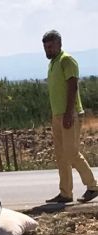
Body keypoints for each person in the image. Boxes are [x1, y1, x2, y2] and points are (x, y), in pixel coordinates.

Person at [42, 30, 98, 203]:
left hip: (69, 114)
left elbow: (72, 87)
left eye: (50, 47)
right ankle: (65, 193)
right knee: (61, 155)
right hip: (58, 115)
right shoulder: (53, 63)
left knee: (72, 153)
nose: (48, 50)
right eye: (46, 47)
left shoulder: (66, 60)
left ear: (59, 44)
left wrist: (68, 113)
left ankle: (93, 186)